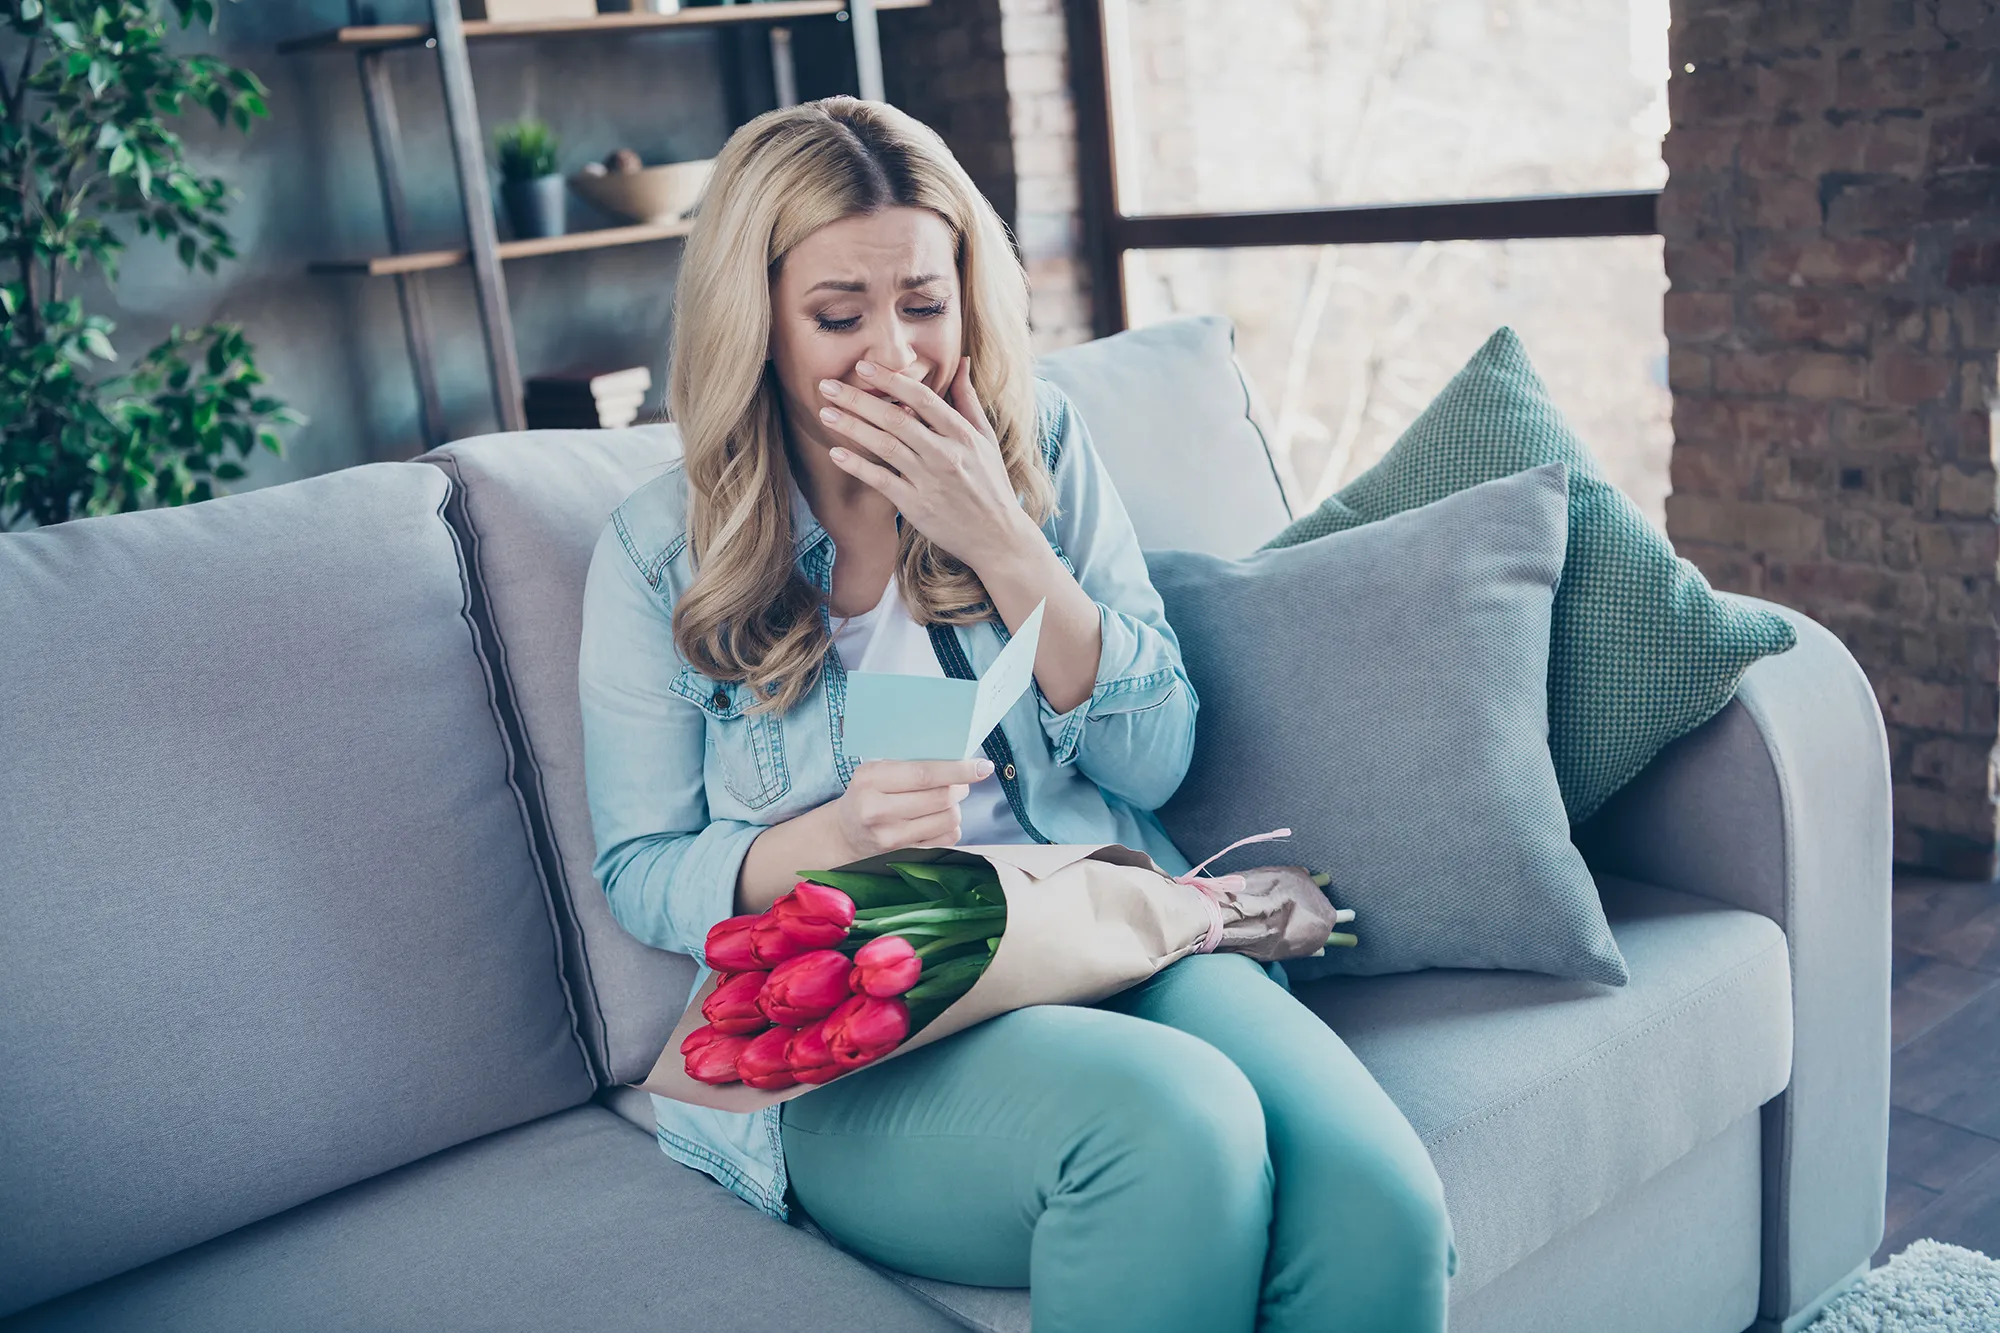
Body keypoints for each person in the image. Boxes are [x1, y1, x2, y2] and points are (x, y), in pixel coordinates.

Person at [578, 96, 1457, 1333]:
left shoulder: (1037, 441)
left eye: (922, 304)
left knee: (1383, 1206)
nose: (894, 357)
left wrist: (1000, 537)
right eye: (838, 316)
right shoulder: (659, 550)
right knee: (1176, 1126)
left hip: (1088, 927)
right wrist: (832, 838)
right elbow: (640, 868)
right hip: (860, 1011)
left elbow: (1155, 758)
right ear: (756, 320)